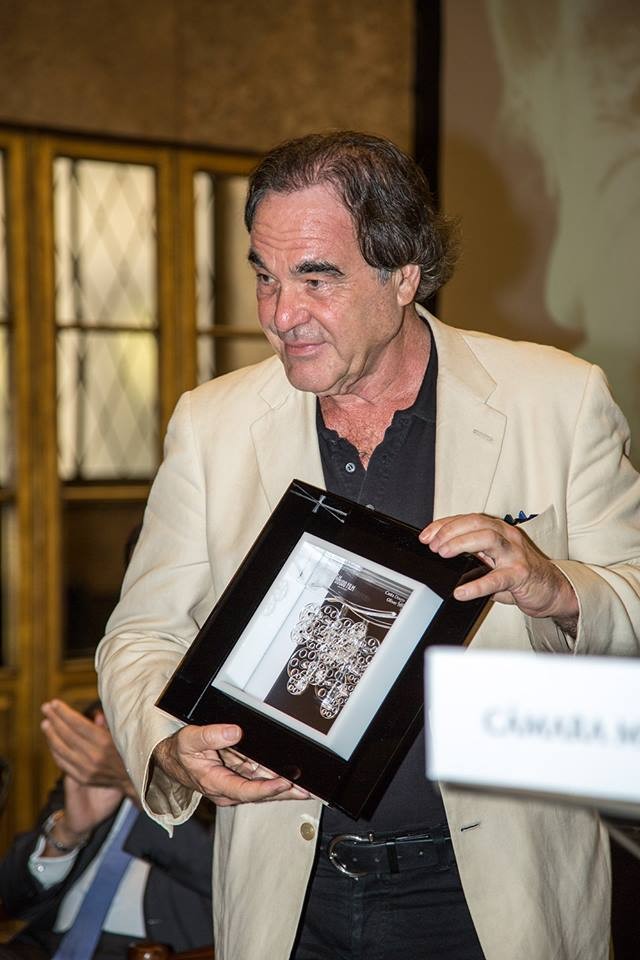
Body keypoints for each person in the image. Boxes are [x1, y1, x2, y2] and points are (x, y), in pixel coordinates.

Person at [96, 131, 640, 960]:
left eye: (317, 279)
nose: (281, 315)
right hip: (290, 898)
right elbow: (141, 635)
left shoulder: (557, 400)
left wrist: (557, 588)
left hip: (497, 896)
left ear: (404, 276)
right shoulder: (212, 424)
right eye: (266, 276)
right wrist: (168, 747)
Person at [0, 699, 214, 959]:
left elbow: (218, 871)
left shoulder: (218, 758)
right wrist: (68, 832)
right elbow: (13, 896)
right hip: (46, 946)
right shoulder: (100, 745)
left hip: (161, 951)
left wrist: (133, 782)